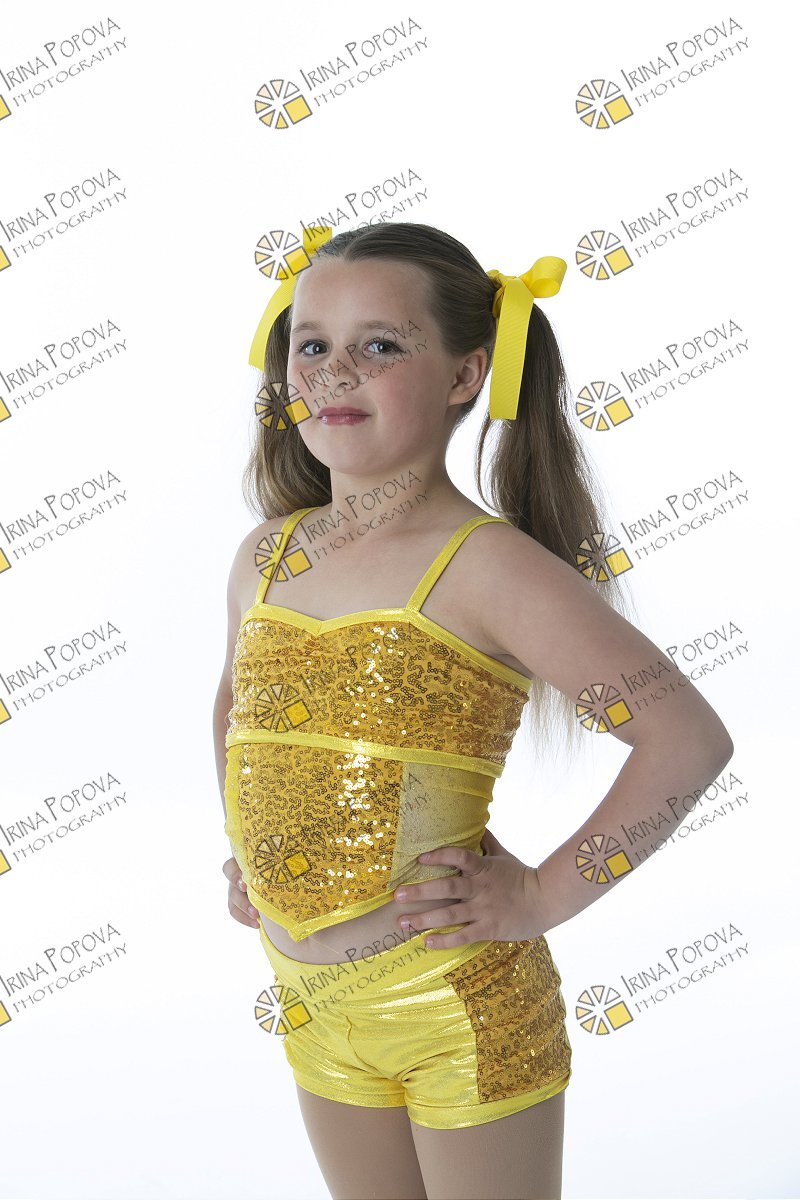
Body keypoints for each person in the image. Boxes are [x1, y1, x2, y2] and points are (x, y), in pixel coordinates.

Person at [212, 221, 734, 1200]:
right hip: (312, 1003)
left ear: (465, 375)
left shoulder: (487, 567)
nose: (333, 371)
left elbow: (685, 739)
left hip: (457, 1004)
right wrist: (250, 847)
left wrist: (539, 896)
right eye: (312, 343)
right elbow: (237, 703)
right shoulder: (268, 556)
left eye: (379, 344)